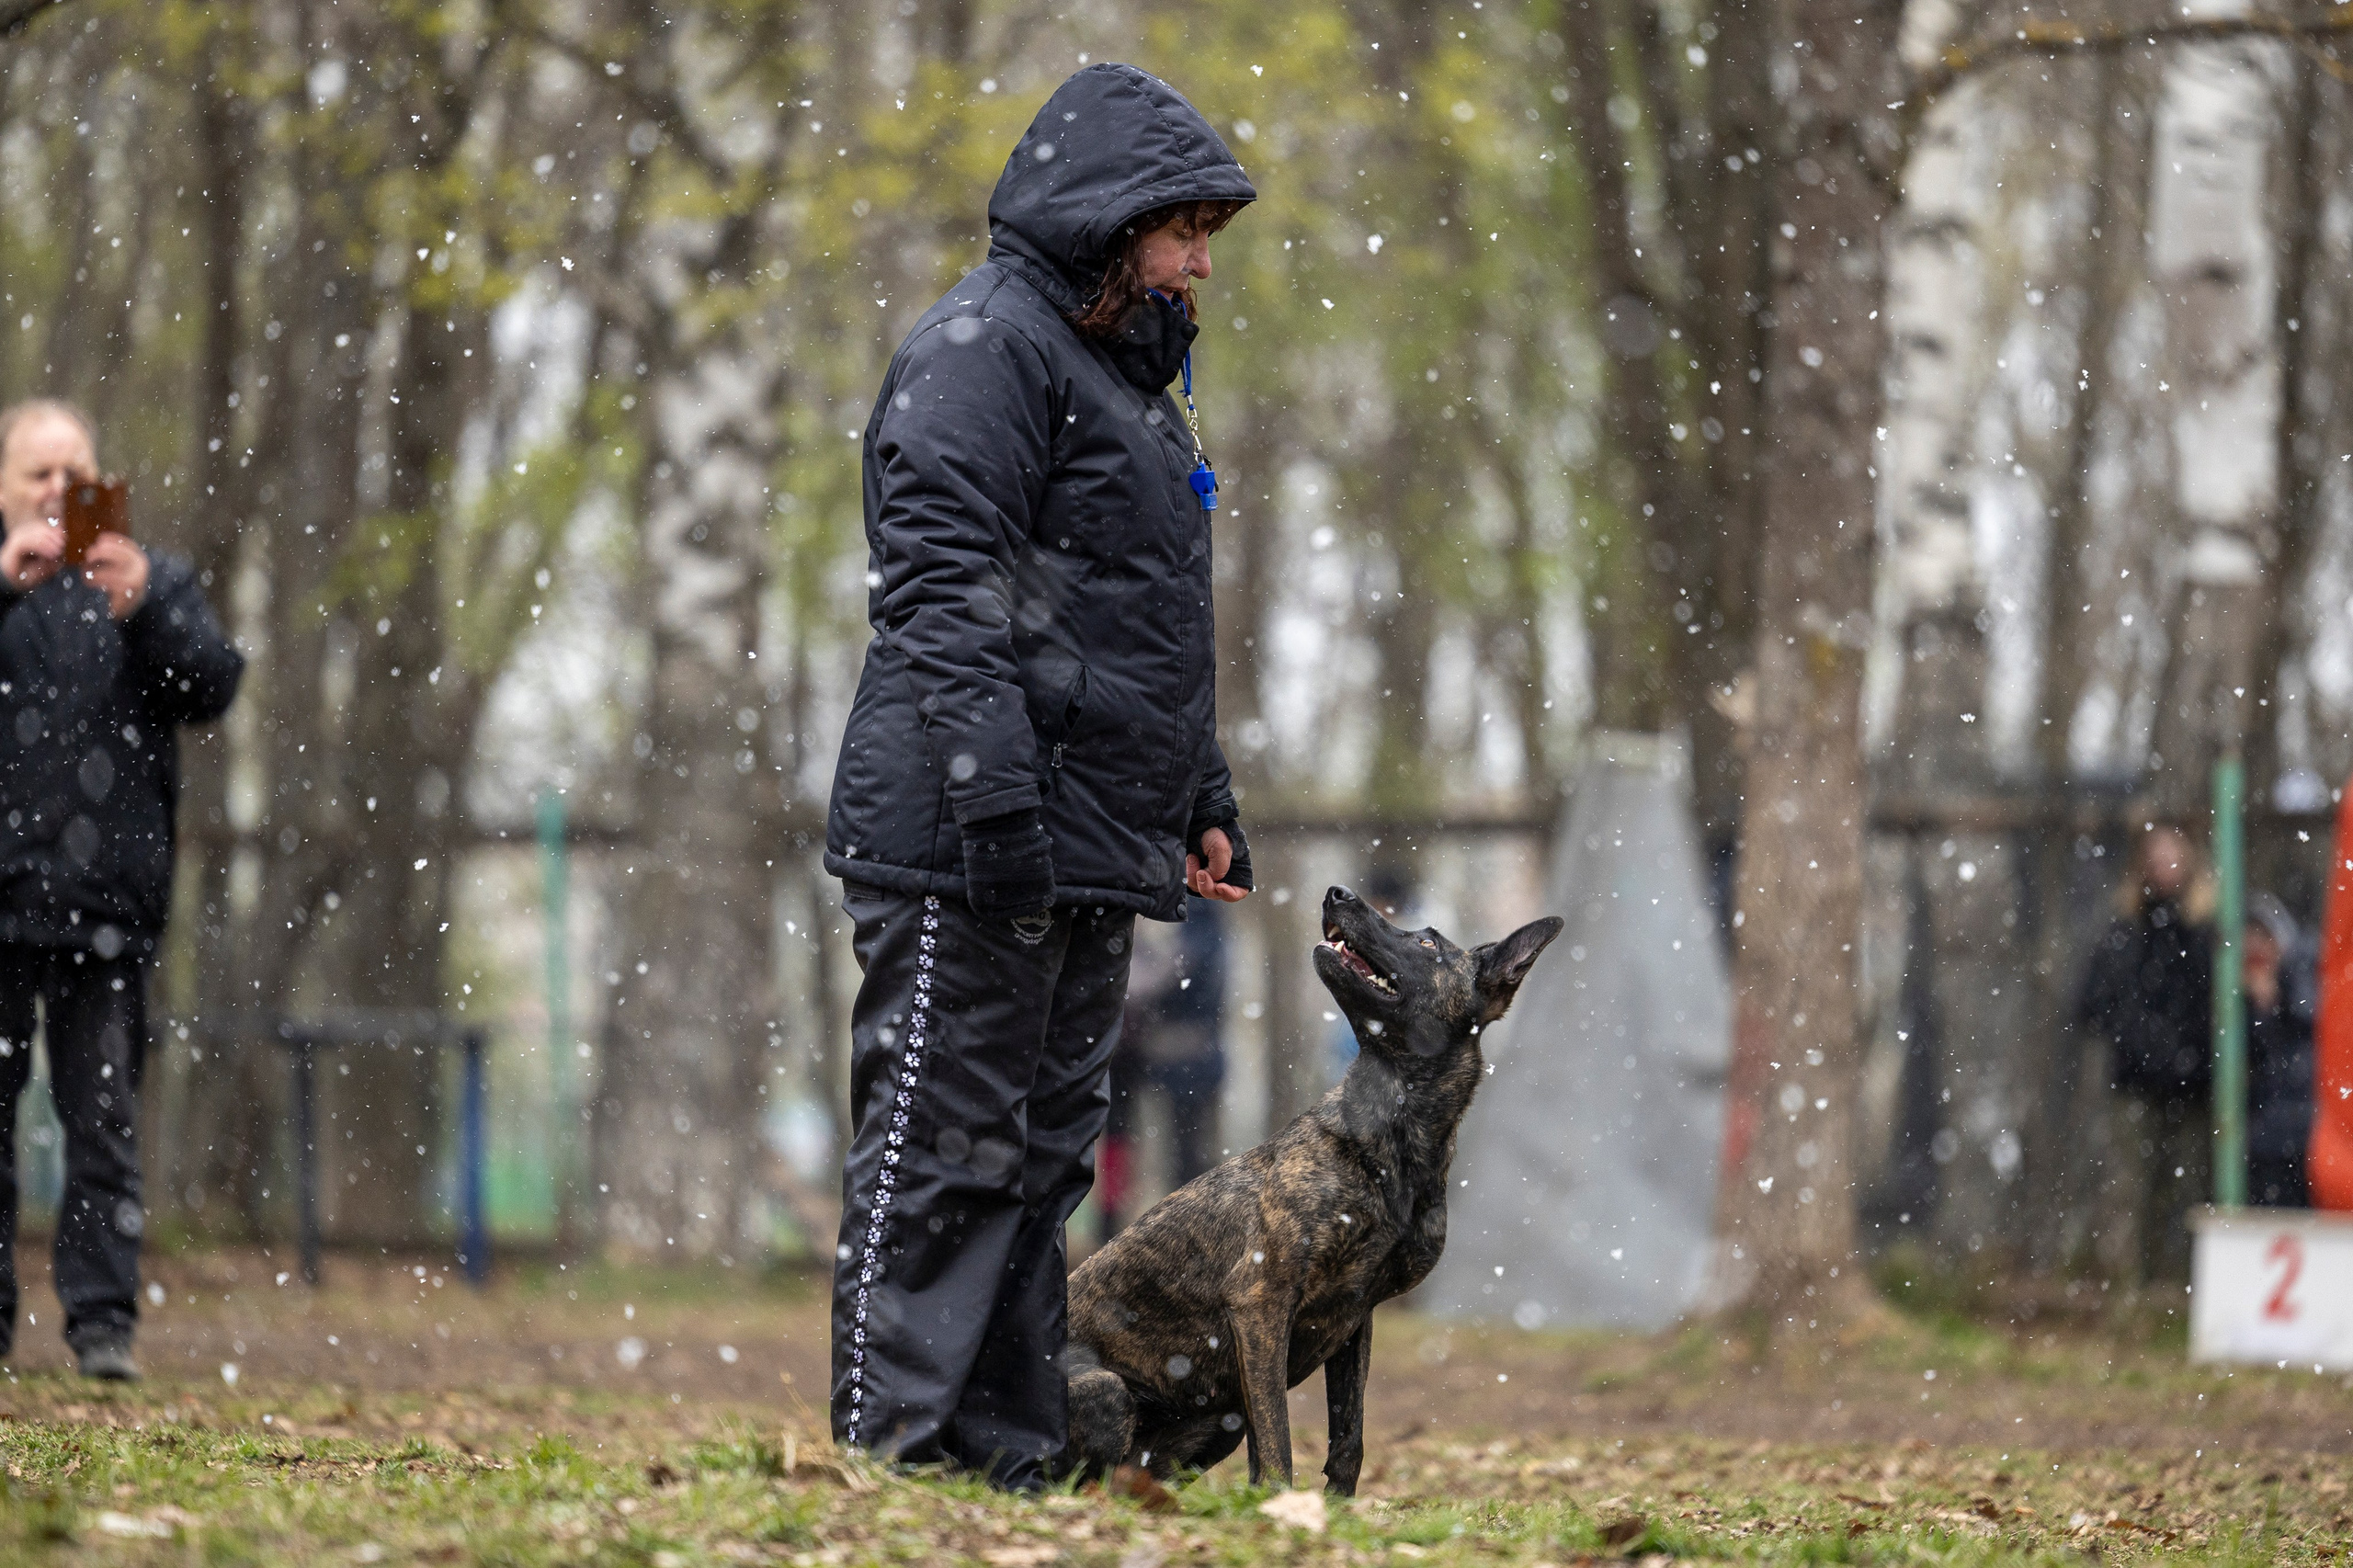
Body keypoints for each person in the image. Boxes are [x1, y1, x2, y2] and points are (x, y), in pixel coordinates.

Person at [822, 64, 1256, 1488]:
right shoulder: (981, 349)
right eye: (1184, 228)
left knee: (1041, 1157)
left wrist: (1198, 791)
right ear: (1111, 220)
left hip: (1082, 839)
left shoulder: (1130, 382)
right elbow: (940, 592)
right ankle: (896, 1453)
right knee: (938, 1147)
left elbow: (1145, 621)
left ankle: (1006, 1451)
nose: (1202, 259)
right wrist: (992, 798)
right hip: (968, 836)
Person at [0, 398, 244, 1379]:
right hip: (4, 901)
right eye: (39, 474)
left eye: (76, 472)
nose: (60, 491)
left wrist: (145, 608)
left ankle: (103, 1324)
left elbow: (216, 683)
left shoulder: (154, 582)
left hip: (110, 906)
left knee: (102, 1119)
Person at [2078, 824, 2213, 1289]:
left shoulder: (2207, 933)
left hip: (2195, 1089)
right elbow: (2092, 1005)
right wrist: (2140, 1039)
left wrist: (2187, 1057)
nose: (2164, 867)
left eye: (2173, 856)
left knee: (2190, 1195)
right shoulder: (2124, 932)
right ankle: (2131, 1291)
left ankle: (2182, 1290)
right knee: (2132, 1194)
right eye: (2155, 858)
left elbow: (2215, 1008)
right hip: (2136, 1085)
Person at [1098, 902, 1229, 1239]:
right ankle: (1188, 1227)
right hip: (1168, 1058)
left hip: (1176, 1059)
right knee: (1183, 1152)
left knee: (1184, 1153)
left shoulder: (1198, 929)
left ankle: (1186, 1227)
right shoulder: (1205, 929)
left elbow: (1174, 975)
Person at [2244, 892, 2315, 1209]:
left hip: (2305, 1140)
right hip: (2263, 1145)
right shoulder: (2238, 1005)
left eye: (2265, 937)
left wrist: (2276, 1003)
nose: (2257, 948)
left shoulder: (2306, 982)